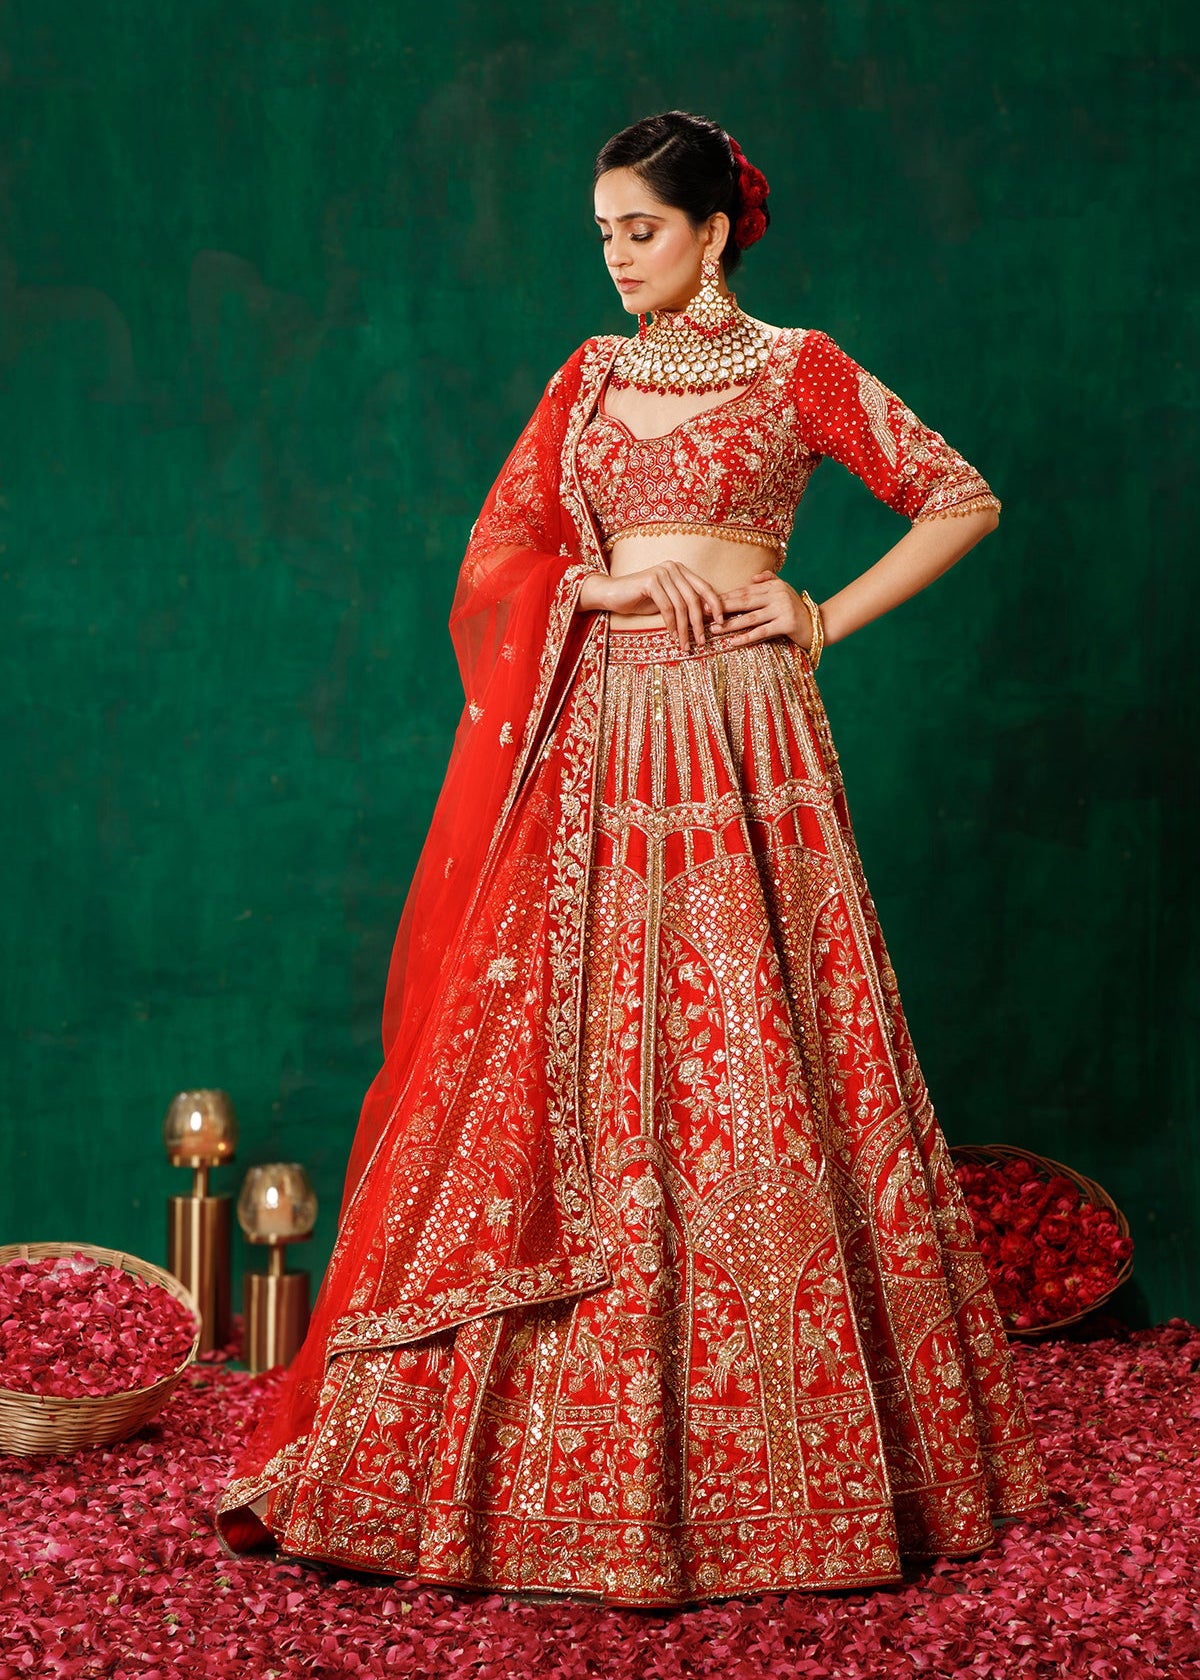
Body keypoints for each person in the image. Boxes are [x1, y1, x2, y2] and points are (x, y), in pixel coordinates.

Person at [215, 110, 1050, 1606]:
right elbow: (499, 549)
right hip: (596, 752)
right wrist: (581, 586)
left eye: (639, 230)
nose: (612, 257)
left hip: (748, 748)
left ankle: (797, 1469)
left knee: (761, 1063)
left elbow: (962, 496)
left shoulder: (799, 368)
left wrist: (816, 616)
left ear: (715, 229)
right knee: (564, 1068)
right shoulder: (587, 377)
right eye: (600, 232)